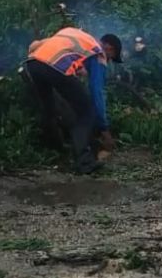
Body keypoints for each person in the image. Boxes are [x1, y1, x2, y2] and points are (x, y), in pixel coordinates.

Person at [24, 27, 123, 174]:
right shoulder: (98, 52)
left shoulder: (73, 34)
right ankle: (84, 162)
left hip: (32, 63)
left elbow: (35, 45)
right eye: (111, 57)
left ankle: (54, 148)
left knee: (48, 107)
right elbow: (97, 92)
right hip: (55, 67)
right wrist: (104, 129)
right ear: (109, 48)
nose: (108, 60)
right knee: (87, 111)